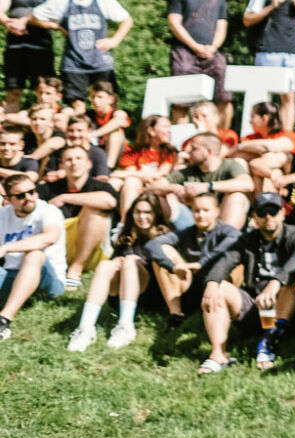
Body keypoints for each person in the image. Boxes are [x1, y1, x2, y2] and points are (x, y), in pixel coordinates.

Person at [193, 189, 295, 374]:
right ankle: (218, 354)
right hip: (256, 306)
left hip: (291, 311)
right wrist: (212, 283)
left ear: (282, 213)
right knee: (219, 288)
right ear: (255, 216)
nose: (268, 217)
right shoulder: (247, 240)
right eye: (262, 212)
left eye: (273, 211)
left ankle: (269, 342)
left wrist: (275, 282)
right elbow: (224, 262)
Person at [70, 190, 173, 350]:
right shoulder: (126, 235)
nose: (141, 217)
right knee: (106, 265)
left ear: (156, 214)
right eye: (137, 212)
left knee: (130, 261)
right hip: (120, 295)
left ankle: (126, 326)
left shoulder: (164, 236)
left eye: (147, 212)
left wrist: (130, 262)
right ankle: (85, 328)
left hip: (151, 294)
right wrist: (118, 261)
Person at [33, 0, 133, 103]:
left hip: (101, 61)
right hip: (73, 63)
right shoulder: (63, 1)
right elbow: (34, 17)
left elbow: (127, 20)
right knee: (76, 106)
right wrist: (56, 27)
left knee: (107, 104)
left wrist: (115, 40)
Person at [40, 143, 115, 296]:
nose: (74, 163)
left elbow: (109, 201)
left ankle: (76, 269)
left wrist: (65, 197)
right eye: (68, 160)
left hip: (94, 252)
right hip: (59, 248)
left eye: (78, 158)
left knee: (94, 210)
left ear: (88, 164)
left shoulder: (101, 186)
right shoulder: (48, 188)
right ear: (61, 165)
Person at [167, 0, 232, 127]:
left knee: (225, 94)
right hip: (184, 52)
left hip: (212, 52)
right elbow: (174, 23)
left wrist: (213, 47)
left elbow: (221, 26)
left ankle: (221, 138)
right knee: (180, 99)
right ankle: (182, 141)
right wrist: (195, 47)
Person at [0, 172, 67, 340]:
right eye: (21, 195)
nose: (29, 198)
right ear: (8, 199)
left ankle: (4, 320)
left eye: (32, 192)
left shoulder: (48, 211)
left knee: (35, 254)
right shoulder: (3, 215)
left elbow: (48, 238)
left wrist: (7, 248)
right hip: (11, 275)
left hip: (49, 281)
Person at [2, 0, 56, 108]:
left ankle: (46, 132)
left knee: (44, 95)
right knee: (12, 93)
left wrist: (26, 21)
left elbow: (56, 16)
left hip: (41, 50)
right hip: (15, 49)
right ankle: (9, 133)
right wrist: (8, 22)